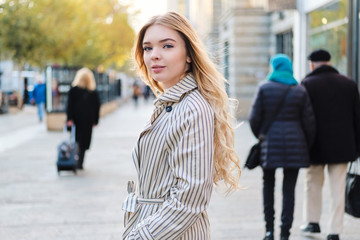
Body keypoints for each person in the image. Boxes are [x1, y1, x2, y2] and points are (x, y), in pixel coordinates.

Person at [121, 12, 241, 240]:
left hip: (171, 233)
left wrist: (141, 236)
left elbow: (190, 196)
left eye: (167, 46)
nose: (154, 55)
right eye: (147, 48)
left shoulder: (191, 108)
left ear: (188, 54)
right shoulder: (170, 103)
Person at [249, 54, 316, 240]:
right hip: (296, 145)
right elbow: (309, 122)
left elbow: (254, 119)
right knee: (289, 190)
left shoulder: (264, 88)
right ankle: (285, 233)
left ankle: (269, 230)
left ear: (274, 67)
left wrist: (262, 136)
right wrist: (305, 144)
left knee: (268, 185)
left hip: (270, 145)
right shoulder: (299, 90)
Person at [300, 49, 360, 240]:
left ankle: (312, 222)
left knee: (312, 184)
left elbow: (303, 118)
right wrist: (357, 147)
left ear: (312, 64)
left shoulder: (307, 84)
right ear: (329, 61)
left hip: (314, 146)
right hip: (342, 147)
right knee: (338, 188)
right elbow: (357, 118)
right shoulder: (349, 83)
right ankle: (334, 231)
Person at [66, 67, 100, 170]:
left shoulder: (73, 90)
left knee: (76, 140)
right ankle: (80, 162)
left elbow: (69, 105)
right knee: (84, 142)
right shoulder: (93, 92)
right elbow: (97, 107)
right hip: (88, 120)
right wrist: (95, 120)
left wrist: (69, 118)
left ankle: (75, 160)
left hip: (76, 120)